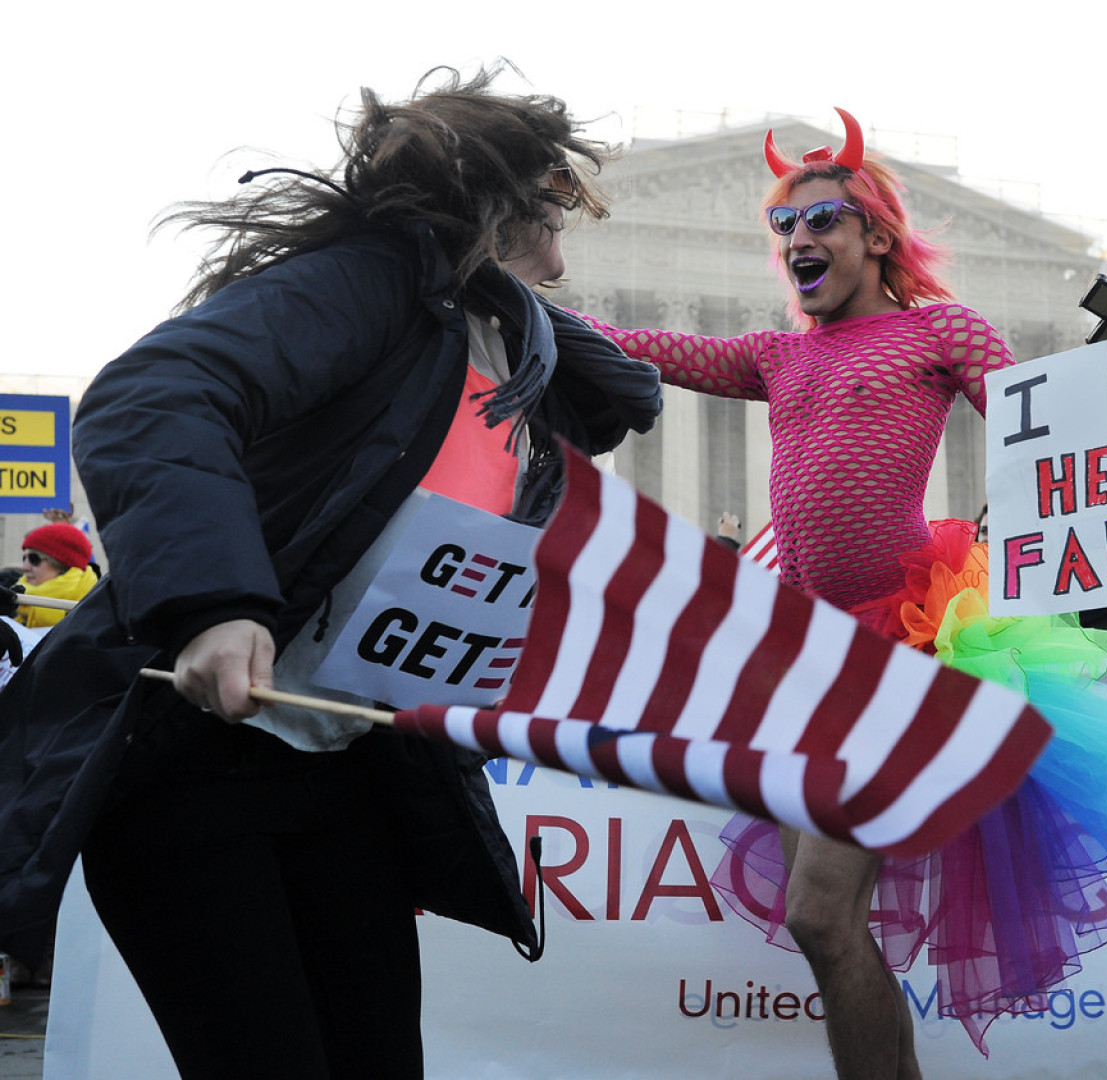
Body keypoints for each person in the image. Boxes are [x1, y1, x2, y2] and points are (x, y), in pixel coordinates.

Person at [0, 66, 661, 1080]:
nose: (567, 254)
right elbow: (151, 396)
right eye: (555, 209)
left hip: (346, 774)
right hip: (197, 766)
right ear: (495, 202)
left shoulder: (512, 346)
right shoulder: (370, 281)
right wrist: (215, 607)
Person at [586, 110, 1107, 1075]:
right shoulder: (776, 355)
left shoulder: (941, 330)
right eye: (785, 229)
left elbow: (1049, 430)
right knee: (824, 929)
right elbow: (637, 344)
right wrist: (507, 299)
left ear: (876, 235)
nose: (800, 240)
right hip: (805, 658)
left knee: (818, 911)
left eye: (824, 220)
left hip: (902, 645)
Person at [14, 522, 99, 630]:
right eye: (24, 558)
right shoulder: (13, 605)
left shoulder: (99, 612)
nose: (24, 567)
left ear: (63, 566)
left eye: (33, 559)